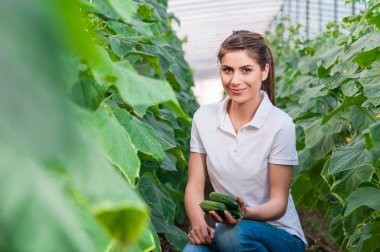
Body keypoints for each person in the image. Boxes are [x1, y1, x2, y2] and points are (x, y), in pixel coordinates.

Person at [182, 30, 306, 252]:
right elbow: (194, 185)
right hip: (228, 230)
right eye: (227, 70)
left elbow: (279, 203)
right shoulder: (204, 117)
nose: (235, 80)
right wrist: (199, 224)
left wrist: (246, 213)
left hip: (280, 235)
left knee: (236, 235)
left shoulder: (280, 124)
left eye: (246, 70)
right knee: (193, 251)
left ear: (264, 71)